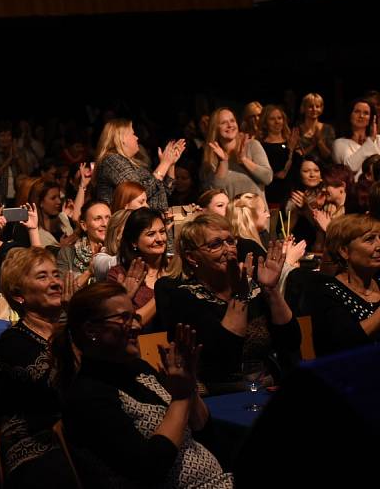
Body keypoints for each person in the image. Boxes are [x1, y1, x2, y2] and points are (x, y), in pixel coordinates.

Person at [52, 282, 233, 488]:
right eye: (124, 318)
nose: (137, 326)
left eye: (135, 316)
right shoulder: (87, 396)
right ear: (91, 330)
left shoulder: (139, 368)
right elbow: (150, 469)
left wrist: (189, 386)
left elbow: (205, 436)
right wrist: (181, 398)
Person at [154, 214, 301, 394]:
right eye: (216, 244)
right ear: (192, 257)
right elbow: (225, 360)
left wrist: (270, 290)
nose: (228, 249)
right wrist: (239, 296)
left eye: (230, 241)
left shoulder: (253, 287)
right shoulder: (183, 296)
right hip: (219, 394)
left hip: (267, 388)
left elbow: (291, 340)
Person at [0, 246, 78, 487]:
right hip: (36, 449)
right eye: (42, 276)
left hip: (77, 434)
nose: (55, 283)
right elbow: (63, 387)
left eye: (55, 274)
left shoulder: (64, 333)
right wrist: (74, 319)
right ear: (19, 295)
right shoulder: (13, 342)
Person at [309, 214, 380, 356]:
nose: (379, 245)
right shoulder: (328, 293)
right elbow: (344, 344)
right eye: (370, 239)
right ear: (344, 251)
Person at [94, 119, 184, 213]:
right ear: (121, 139)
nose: (137, 138)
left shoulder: (136, 164)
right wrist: (164, 164)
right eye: (133, 134)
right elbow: (137, 194)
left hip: (151, 222)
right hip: (130, 224)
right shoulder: (111, 160)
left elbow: (163, 192)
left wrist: (170, 164)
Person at [107, 208, 169, 330]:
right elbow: (120, 323)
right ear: (134, 242)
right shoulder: (119, 274)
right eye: (151, 234)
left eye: (162, 232)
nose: (160, 239)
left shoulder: (176, 269)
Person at [203, 107, 273, 203]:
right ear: (215, 128)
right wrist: (223, 162)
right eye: (224, 122)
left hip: (256, 215)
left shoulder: (252, 145)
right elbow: (214, 193)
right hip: (231, 216)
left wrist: (244, 160)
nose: (230, 125)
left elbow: (267, 178)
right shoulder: (212, 156)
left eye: (232, 121)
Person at [57, 200, 111, 285]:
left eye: (108, 218)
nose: (105, 223)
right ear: (84, 225)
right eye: (98, 219)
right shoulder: (67, 253)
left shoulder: (118, 252)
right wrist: (89, 271)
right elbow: (64, 291)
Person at [259, 105, 301, 206]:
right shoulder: (262, 146)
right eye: (272, 119)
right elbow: (280, 173)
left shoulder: (291, 141)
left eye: (279, 118)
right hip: (273, 195)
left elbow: (298, 168)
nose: (277, 122)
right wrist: (289, 150)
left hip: (293, 196)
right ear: (265, 123)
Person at [331, 98, 379, 177]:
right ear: (350, 115)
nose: (361, 116)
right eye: (357, 112)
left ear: (371, 119)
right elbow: (350, 169)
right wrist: (370, 140)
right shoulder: (339, 143)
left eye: (366, 113)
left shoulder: (379, 140)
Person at [296, 93, 335, 160]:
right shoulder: (297, 130)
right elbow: (297, 156)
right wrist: (312, 145)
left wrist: (320, 142)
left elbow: (330, 157)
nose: (314, 109)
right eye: (310, 106)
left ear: (321, 108)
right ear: (303, 108)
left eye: (317, 106)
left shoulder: (328, 129)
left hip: (324, 168)